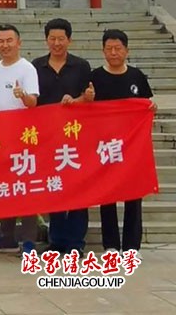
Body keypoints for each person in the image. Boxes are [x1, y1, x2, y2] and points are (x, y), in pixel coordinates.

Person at [90, 28, 156, 252]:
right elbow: (87, 110)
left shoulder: (136, 76)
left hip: (132, 147)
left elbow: (146, 106)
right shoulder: (95, 76)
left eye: (118, 48)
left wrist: (150, 109)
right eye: (109, 49)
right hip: (106, 146)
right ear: (103, 51)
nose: (113, 52)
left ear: (127, 50)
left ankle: (131, 246)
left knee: (133, 197)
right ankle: (110, 244)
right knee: (107, 195)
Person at [32, 17, 94, 256]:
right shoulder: (36, 66)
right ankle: (56, 240)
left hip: (75, 138)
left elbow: (88, 98)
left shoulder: (81, 66)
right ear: (46, 40)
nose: (56, 43)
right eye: (52, 39)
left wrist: (76, 100)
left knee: (79, 189)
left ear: (69, 40)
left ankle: (76, 243)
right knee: (53, 187)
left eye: (61, 39)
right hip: (47, 137)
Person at [0, 23, 39, 256]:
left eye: (9, 40)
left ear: (19, 42)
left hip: (22, 139)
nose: (5, 45)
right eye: (1, 41)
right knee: (3, 187)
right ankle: (6, 236)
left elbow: (33, 103)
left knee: (25, 189)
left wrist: (22, 95)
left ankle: (28, 241)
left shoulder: (27, 69)